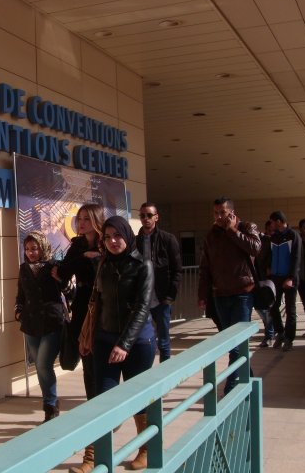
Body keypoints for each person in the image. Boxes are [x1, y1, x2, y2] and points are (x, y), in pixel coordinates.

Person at [77, 215, 155, 472]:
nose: (113, 241)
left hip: (138, 343)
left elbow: (142, 307)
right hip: (105, 339)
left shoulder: (143, 265)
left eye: (117, 235)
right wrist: (90, 336)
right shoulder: (103, 264)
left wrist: (124, 344)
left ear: (127, 235)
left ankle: (147, 449)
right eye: (108, 237)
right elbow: (97, 302)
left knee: (138, 398)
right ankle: (92, 457)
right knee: (101, 398)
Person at [198, 197, 261, 395]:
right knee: (232, 344)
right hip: (220, 295)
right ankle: (249, 378)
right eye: (215, 213)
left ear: (231, 212)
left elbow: (255, 248)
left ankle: (230, 388)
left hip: (243, 293)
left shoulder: (247, 227)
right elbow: (205, 267)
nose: (218, 216)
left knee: (237, 343)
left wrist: (232, 230)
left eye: (222, 213)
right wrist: (203, 294)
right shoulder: (211, 235)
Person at [52, 204, 104, 402]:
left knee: (101, 359)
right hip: (83, 305)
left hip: (104, 305)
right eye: (79, 218)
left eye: (87, 219)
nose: (81, 223)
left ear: (96, 220)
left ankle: (106, 403)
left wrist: (95, 258)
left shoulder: (105, 242)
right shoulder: (77, 245)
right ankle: (93, 404)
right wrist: (84, 257)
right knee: (87, 358)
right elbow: (63, 271)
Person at [14, 231, 64, 423]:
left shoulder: (53, 266)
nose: (31, 253)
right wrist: (18, 312)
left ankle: (50, 404)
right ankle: (50, 407)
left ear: (42, 247)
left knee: (43, 364)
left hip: (51, 322)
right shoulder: (24, 268)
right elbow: (20, 295)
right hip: (30, 324)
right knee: (40, 366)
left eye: (34, 248)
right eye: (27, 249)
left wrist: (61, 280)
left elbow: (69, 291)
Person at [135, 202, 182, 362]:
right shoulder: (135, 241)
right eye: (142, 215)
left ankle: (165, 371)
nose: (145, 218)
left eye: (149, 215)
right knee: (143, 339)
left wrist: (170, 296)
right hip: (142, 298)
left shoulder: (168, 239)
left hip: (162, 299)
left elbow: (177, 270)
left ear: (156, 217)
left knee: (163, 340)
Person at [266, 211, 302, 352]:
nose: (271, 225)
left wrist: (291, 278)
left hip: (289, 278)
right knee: (273, 306)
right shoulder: (274, 236)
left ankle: (289, 339)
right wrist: (269, 267)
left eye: (272, 222)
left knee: (290, 309)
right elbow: (270, 254)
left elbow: (296, 257)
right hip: (275, 277)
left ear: (279, 221)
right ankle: (280, 333)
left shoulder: (293, 235)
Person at [256, 220, 275, 347]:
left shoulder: (277, 242)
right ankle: (271, 331)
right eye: (269, 230)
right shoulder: (261, 241)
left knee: (268, 308)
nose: (271, 233)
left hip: (270, 279)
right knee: (260, 307)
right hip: (258, 278)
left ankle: (270, 333)